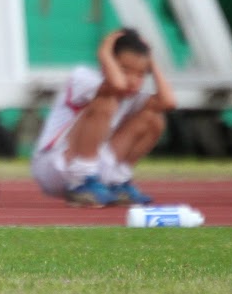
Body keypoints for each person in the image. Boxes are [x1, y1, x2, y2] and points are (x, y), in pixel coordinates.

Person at [31, 28, 174, 207]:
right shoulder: (83, 77)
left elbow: (169, 102)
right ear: (107, 62)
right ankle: (81, 181)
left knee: (154, 119)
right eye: (124, 70)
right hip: (55, 165)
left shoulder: (132, 96)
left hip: (97, 170)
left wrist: (151, 61)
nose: (132, 80)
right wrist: (105, 50)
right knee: (107, 101)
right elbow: (117, 86)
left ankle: (117, 181)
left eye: (140, 74)